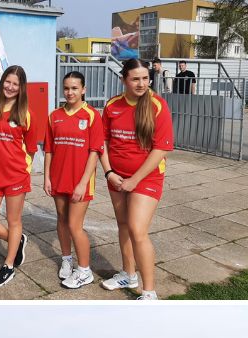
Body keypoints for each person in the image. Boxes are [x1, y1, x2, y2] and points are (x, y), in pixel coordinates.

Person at [100, 58, 174, 300]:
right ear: (124, 80)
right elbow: (104, 142)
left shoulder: (157, 105)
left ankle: (149, 291)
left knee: (137, 230)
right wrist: (109, 172)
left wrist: (134, 180)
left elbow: (160, 149)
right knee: (123, 225)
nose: (141, 83)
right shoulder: (112, 106)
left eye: (145, 78)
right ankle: (128, 274)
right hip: (117, 178)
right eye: (135, 79)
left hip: (147, 178)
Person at [45, 71, 104, 290]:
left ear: (84, 90)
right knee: (61, 220)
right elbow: (49, 149)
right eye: (67, 88)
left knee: (74, 225)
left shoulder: (91, 115)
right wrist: (47, 178)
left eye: (74, 88)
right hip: (58, 179)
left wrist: (82, 182)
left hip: (80, 181)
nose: (70, 92)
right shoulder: (54, 116)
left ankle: (85, 271)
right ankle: (67, 259)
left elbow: (95, 152)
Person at [0, 65, 33, 288]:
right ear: (2, 83)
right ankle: (17, 240)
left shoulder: (26, 114)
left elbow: (30, 149)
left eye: (15, 84)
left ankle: (9, 265)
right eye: (7, 82)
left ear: (21, 88)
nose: (10, 87)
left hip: (15, 178)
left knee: (14, 221)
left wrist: (22, 172)